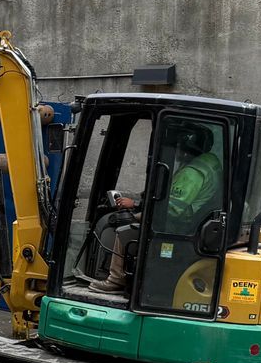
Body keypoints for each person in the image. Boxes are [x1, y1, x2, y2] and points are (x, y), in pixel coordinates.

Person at [92, 121, 224, 294]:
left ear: (188, 146)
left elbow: (171, 209)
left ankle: (116, 280)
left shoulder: (192, 173)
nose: (177, 150)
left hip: (178, 225)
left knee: (124, 230)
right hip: (193, 221)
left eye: (178, 145)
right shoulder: (210, 163)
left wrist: (135, 205)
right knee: (133, 218)